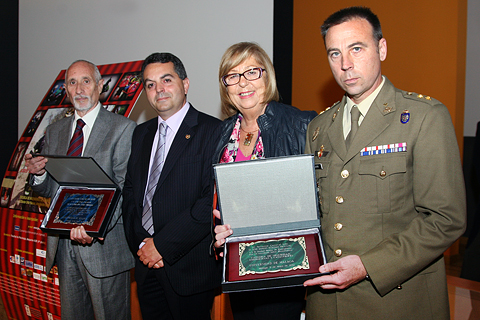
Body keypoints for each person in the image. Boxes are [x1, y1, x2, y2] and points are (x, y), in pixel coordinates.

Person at [302, 7, 466, 319]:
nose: (345, 64)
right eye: (334, 53)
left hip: (396, 301)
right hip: (328, 302)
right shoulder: (319, 128)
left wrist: (368, 266)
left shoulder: (423, 117)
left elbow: (447, 219)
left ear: (382, 48)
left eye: (356, 48)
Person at [212, 42, 317, 320]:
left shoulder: (302, 125)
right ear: (226, 86)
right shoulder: (221, 133)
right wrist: (216, 235)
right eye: (232, 76)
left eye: (251, 72)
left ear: (267, 76)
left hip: (285, 260)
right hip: (239, 262)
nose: (242, 83)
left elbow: (318, 198)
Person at [25, 60, 136, 320]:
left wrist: (94, 228)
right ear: (65, 89)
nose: (79, 89)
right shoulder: (55, 130)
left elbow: (123, 190)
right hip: (63, 244)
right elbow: (52, 189)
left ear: (99, 86)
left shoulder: (123, 128)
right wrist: (40, 174)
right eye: (72, 83)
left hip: (103, 245)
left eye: (86, 81)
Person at [122, 52, 222, 320]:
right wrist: (143, 244)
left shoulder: (213, 131)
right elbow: (131, 193)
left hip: (187, 268)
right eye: (150, 84)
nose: (159, 90)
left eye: (166, 80)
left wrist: (162, 246)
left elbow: (210, 200)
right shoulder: (140, 134)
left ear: (185, 84)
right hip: (147, 265)